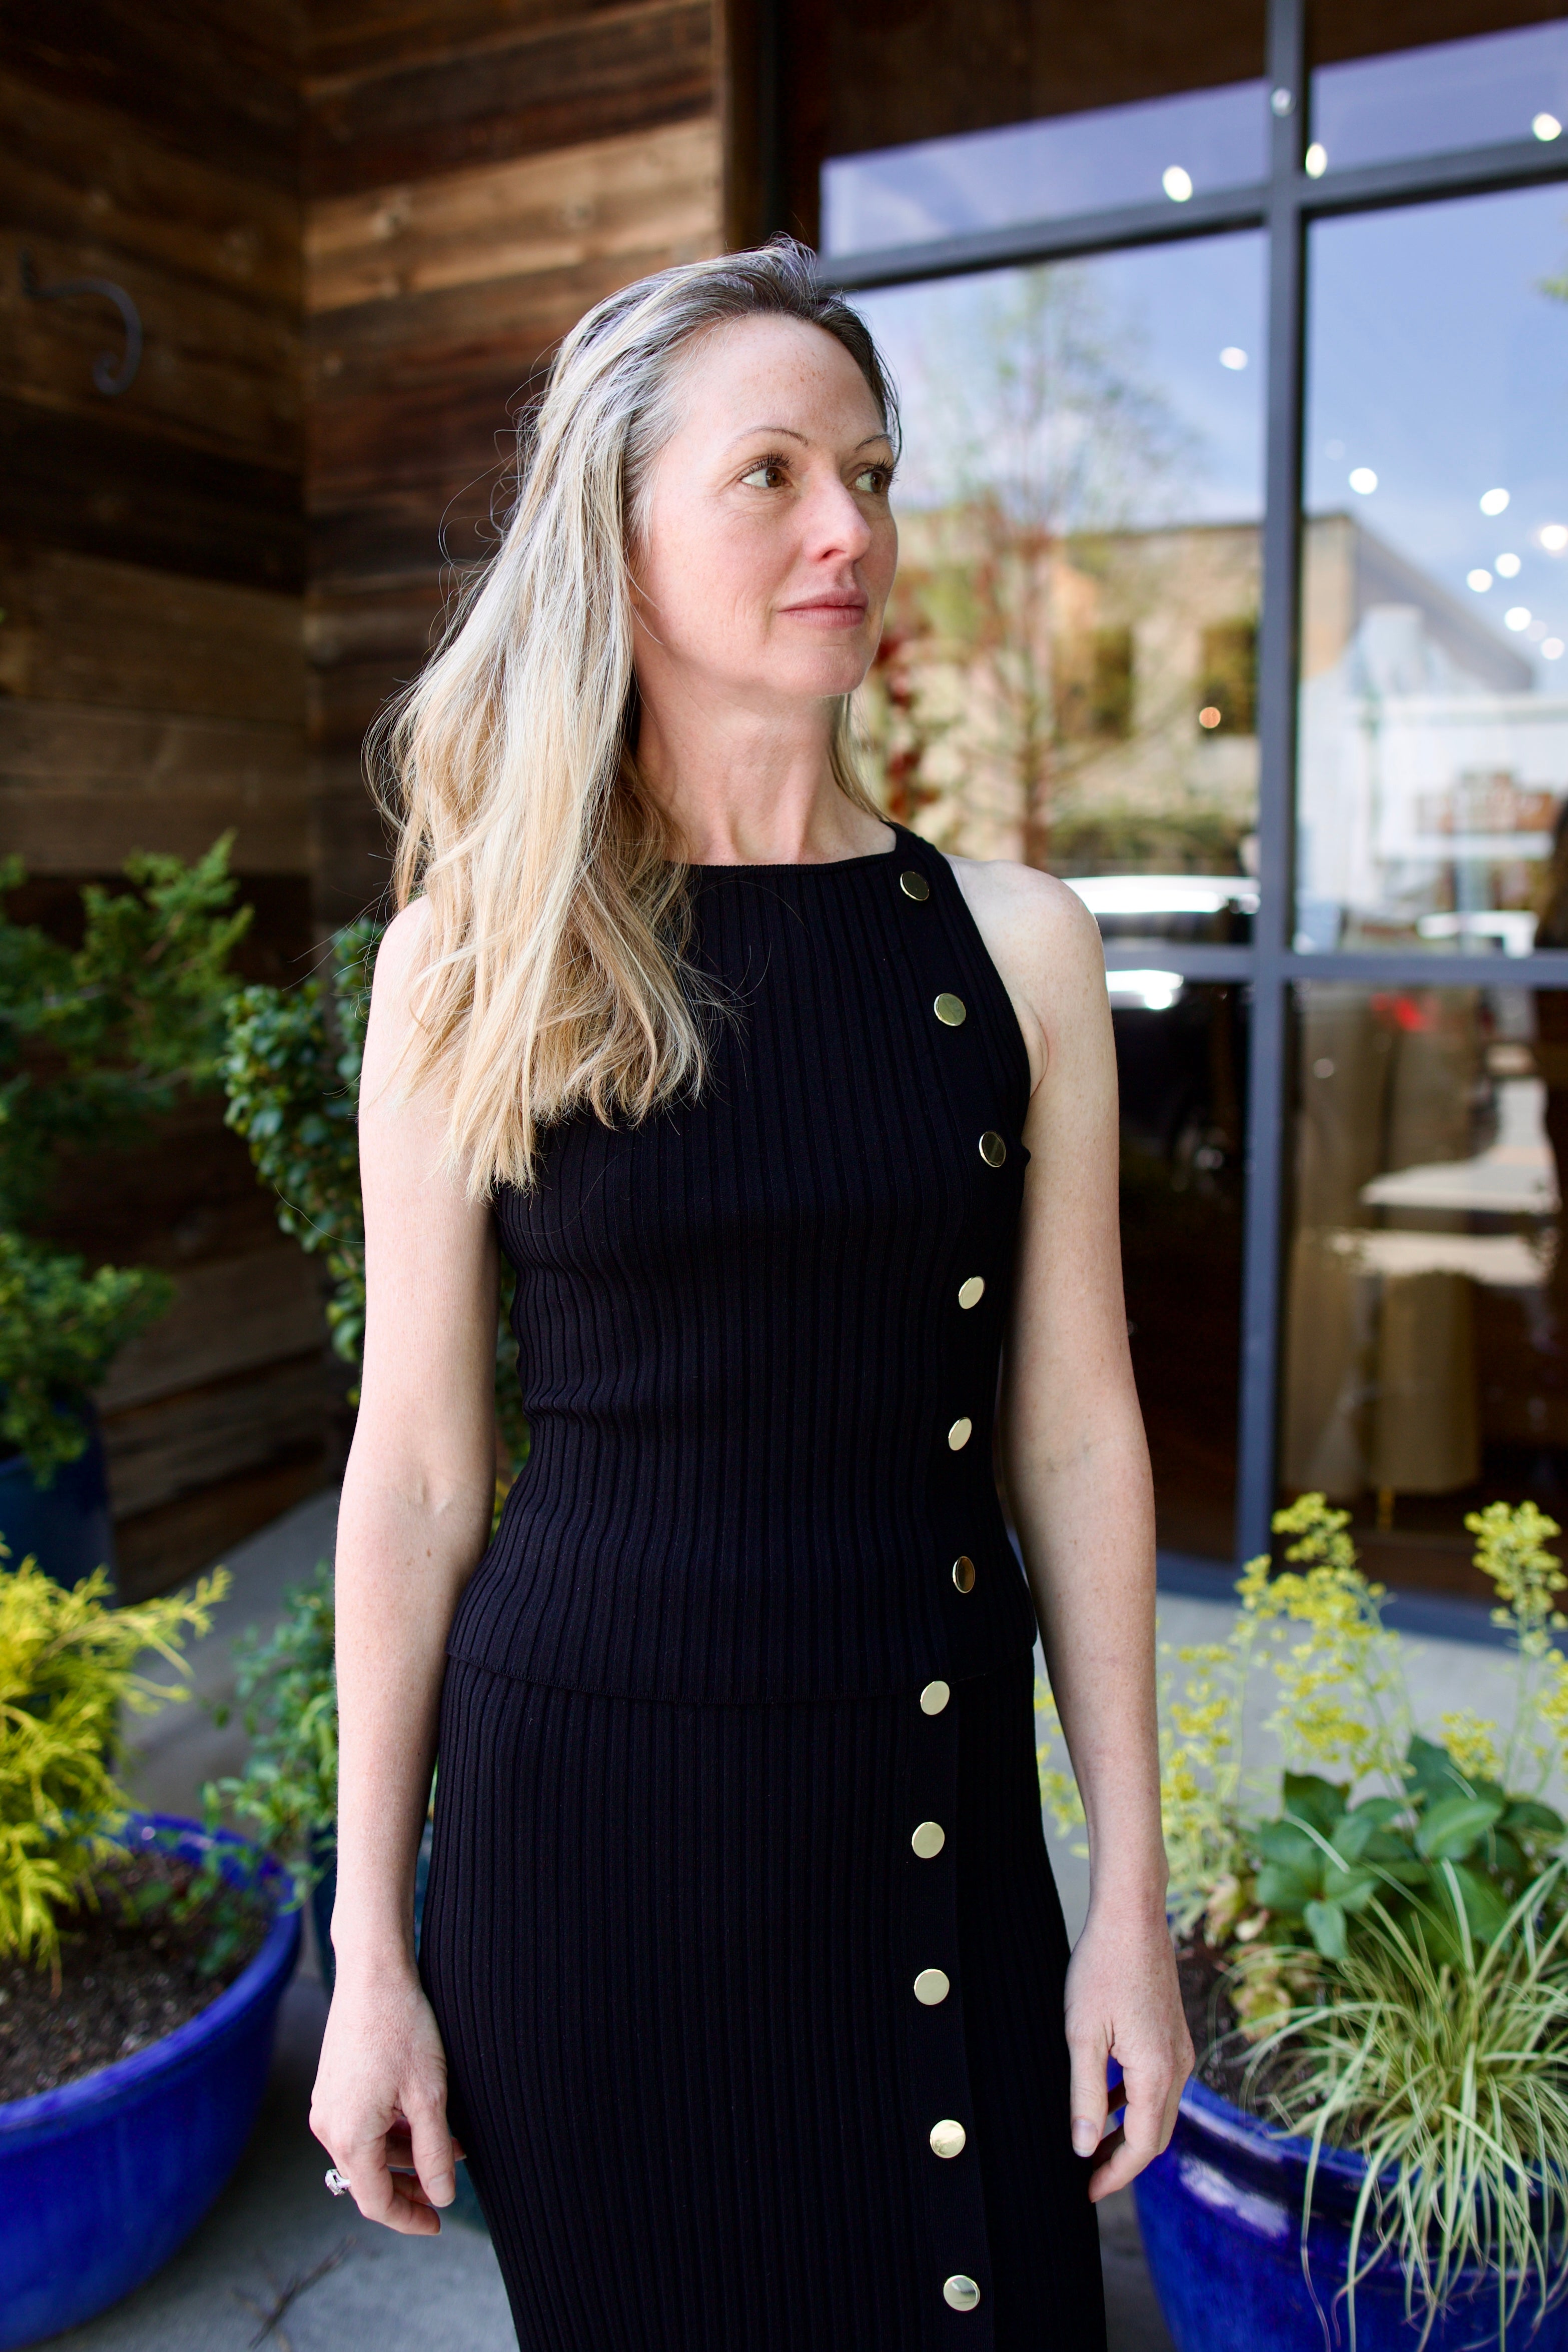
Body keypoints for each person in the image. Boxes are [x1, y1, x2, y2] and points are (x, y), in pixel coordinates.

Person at [309, 238, 1190, 2352]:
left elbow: (1071, 1435)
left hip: (918, 1808)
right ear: (612, 534)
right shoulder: (477, 956)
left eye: (871, 474)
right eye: (773, 473)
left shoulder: (1014, 945)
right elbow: (421, 1471)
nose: (850, 532)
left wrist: (1125, 1904)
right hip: (587, 1847)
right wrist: (369, 1954)